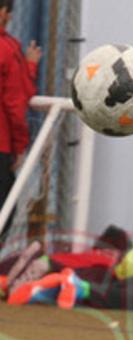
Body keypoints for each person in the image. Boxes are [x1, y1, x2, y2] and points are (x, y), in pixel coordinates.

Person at [0, 0, 42, 235]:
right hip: (2, 144)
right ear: (5, 13)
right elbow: (16, 101)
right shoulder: (7, 48)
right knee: (5, 211)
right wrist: (20, 147)